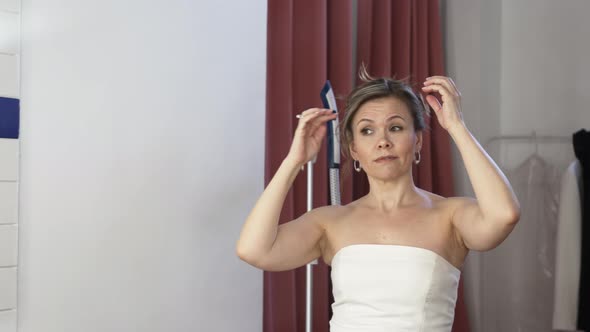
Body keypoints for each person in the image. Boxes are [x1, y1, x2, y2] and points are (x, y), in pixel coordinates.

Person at [236, 69, 520, 332]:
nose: (382, 141)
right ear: (354, 150)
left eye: (395, 128)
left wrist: (457, 127)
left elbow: (503, 216)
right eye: (367, 131)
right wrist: (293, 161)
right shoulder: (330, 222)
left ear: (417, 140)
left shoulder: (451, 216)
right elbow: (254, 250)